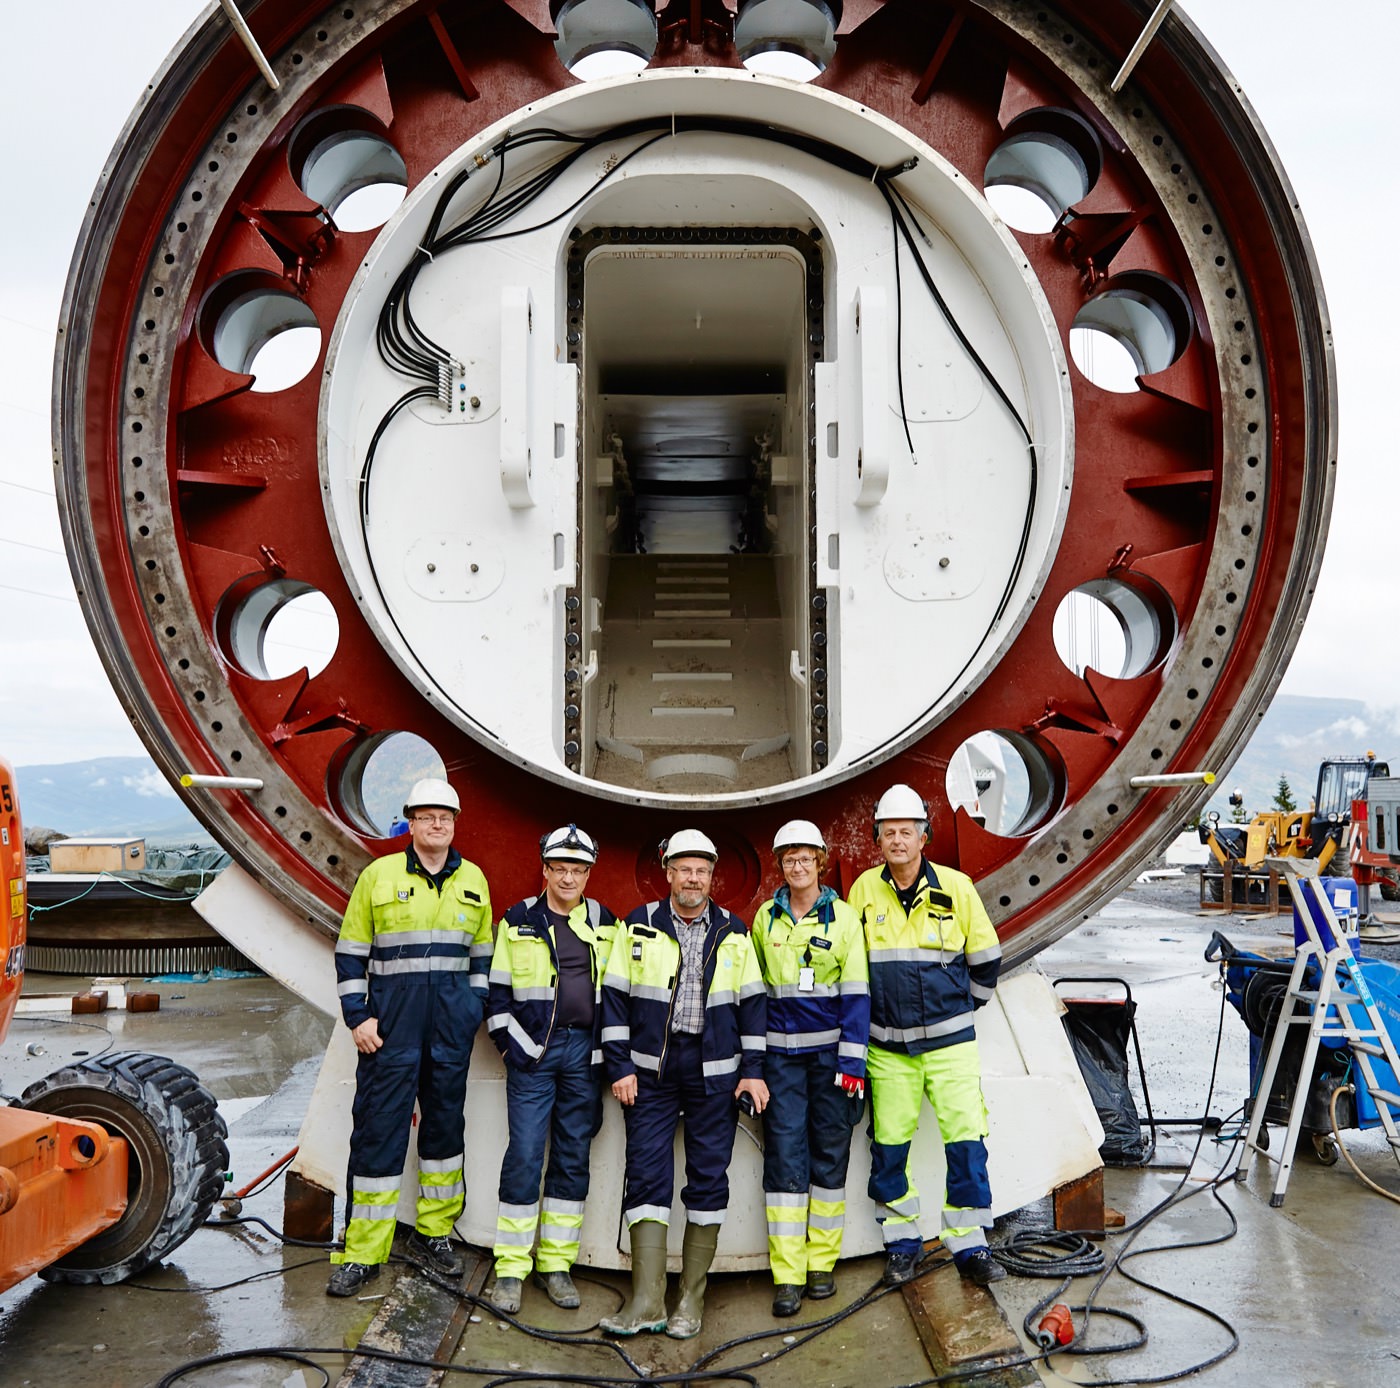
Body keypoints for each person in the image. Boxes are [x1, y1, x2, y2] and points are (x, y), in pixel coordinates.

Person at [599, 829, 769, 1339]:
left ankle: (690, 1300)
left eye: (702, 871)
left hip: (714, 1070)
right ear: (668, 873)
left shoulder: (734, 932)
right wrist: (620, 1066)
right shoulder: (638, 924)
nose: (693, 879)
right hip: (651, 1071)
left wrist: (752, 1071)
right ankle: (647, 1302)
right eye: (684, 869)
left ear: (712, 877)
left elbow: (753, 1008)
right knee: (645, 1175)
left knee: (708, 1177)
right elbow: (614, 998)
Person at [327, 778, 493, 1298]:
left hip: (449, 1034)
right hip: (389, 1033)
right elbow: (350, 953)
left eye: (445, 817)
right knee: (378, 1137)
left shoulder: (474, 879)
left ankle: (434, 1234)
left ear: (455, 823)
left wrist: (471, 1009)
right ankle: (362, 1253)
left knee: (444, 1136)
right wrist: (358, 1017)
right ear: (411, 822)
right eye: (427, 817)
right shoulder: (378, 876)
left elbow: (483, 957)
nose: (437, 824)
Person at [846, 784, 1005, 1288]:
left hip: (950, 1047)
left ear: (923, 837)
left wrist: (961, 1010)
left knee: (966, 1143)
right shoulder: (863, 892)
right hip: (888, 1049)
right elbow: (852, 967)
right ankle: (902, 1244)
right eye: (888, 832)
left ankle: (970, 1245)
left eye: (906, 832)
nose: (897, 840)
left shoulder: (956, 887)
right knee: (889, 1147)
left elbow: (987, 958)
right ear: (878, 839)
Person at [484, 825, 619, 1314]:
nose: (568, 878)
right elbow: (497, 995)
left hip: (585, 1056)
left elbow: (619, 991)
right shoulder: (518, 919)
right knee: (524, 1156)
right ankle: (511, 1269)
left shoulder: (605, 921)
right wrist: (514, 1050)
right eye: (559, 869)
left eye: (577, 870)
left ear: (588, 874)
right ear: (544, 870)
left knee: (572, 1157)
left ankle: (556, 1266)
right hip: (533, 1054)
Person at [751, 820, 869, 1318]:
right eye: (789, 859)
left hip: (830, 1064)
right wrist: (754, 1064)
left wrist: (852, 1062)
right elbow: (754, 995)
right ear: (780, 865)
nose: (798, 867)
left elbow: (857, 992)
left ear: (820, 861)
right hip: (780, 1063)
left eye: (805, 858)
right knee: (784, 1159)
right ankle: (787, 1275)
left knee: (829, 1156)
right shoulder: (766, 918)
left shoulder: (843, 919)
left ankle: (821, 1265)